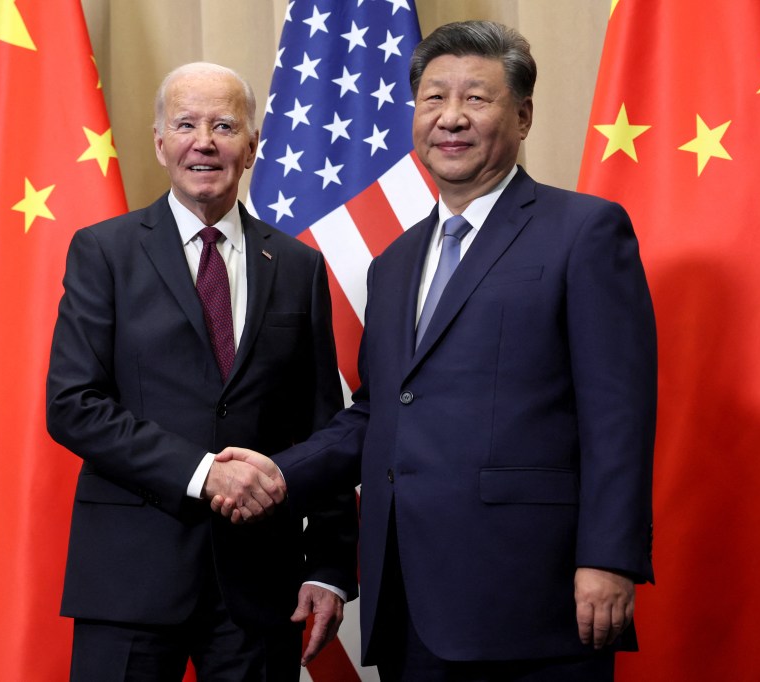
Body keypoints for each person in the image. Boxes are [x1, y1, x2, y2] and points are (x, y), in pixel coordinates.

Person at [213, 21, 657, 681]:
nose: (451, 118)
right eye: (432, 99)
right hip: (410, 600)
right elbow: (378, 411)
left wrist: (610, 558)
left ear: (524, 115)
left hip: (532, 595)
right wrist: (280, 474)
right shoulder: (394, 263)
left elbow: (618, 411)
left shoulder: (584, 232)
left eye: (476, 99)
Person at [46, 62, 358, 681]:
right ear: (160, 143)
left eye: (224, 125)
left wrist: (327, 565)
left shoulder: (297, 266)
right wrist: (201, 475)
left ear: (252, 145)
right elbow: (73, 404)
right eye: (185, 124)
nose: (204, 141)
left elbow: (324, 430)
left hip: (260, 585)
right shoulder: (103, 251)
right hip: (130, 579)